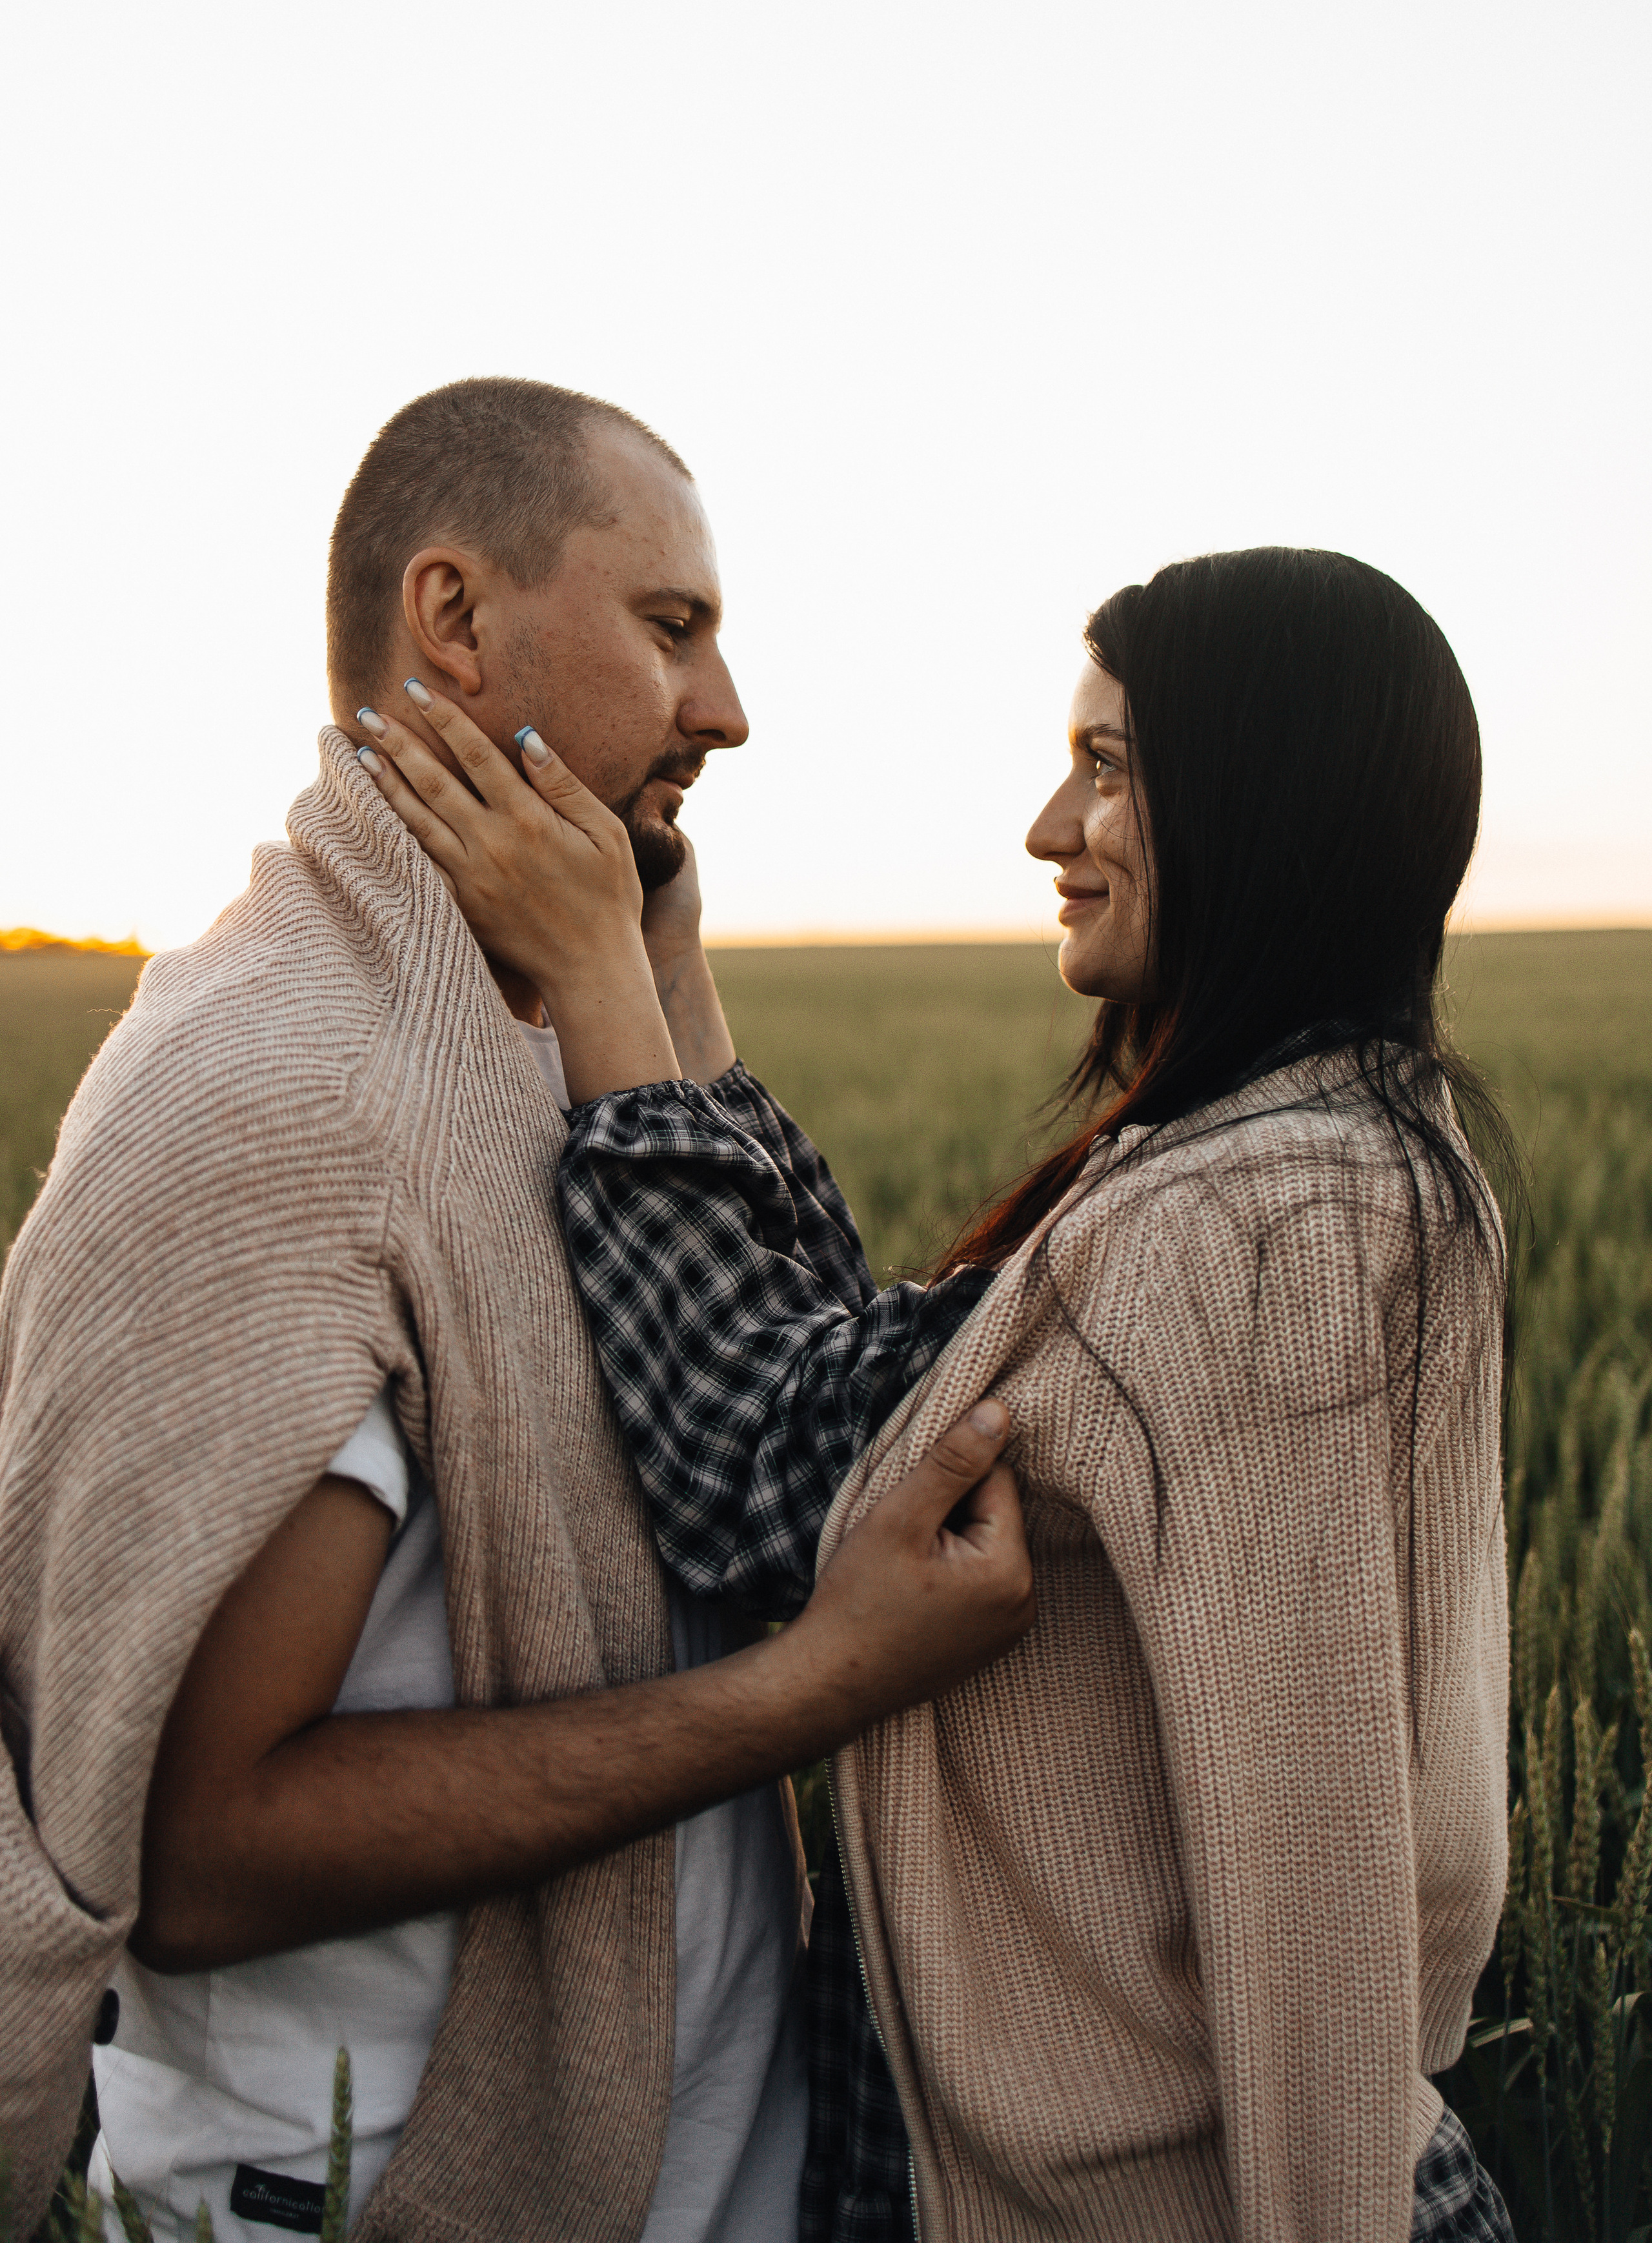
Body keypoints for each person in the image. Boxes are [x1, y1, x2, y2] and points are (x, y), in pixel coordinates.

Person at [358, 543, 1516, 2243]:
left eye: (1108, 768)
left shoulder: (1257, 1230)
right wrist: (666, 971)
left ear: (1265, 799)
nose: (1052, 829)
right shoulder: (1329, 1161)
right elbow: (884, 1376)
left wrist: (594, 984)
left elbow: (763, 1479)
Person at [0, 377, 1036, 2243]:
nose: (727, 711)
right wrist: (807, 1693)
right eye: (672, 629)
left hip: (706, 2166)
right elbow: (208, 1849)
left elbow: (774, 1386)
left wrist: (656, 954)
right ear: (456, 619)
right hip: (376, 2188)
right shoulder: (287, 1096)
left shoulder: (555, 1027)